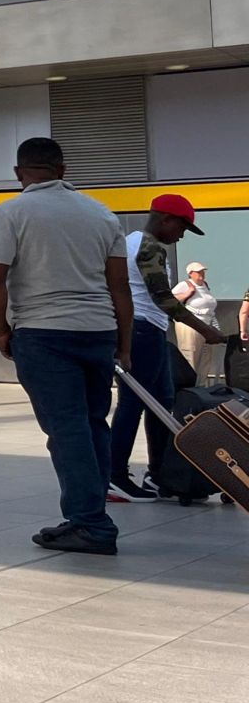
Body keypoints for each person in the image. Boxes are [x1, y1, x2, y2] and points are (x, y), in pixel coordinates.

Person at [0, 137, 132, 556]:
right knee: (92, 423)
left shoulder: (11, 212)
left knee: (66, 430)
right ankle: (89, 513)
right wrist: (124, 343)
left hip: (44, 332)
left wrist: (1, 330)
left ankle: (91, 524)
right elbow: (119, 286)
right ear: (63, 170)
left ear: (18, 173)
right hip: (98, 331)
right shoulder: (101, 214)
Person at [108, 196, 225, 501]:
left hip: (148, 330)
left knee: (161, 403)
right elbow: (164, 298)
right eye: (182, 227)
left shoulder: (131, 242)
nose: (182, 235)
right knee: (134, 403)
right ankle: (115, 475)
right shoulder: (149, 247)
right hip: (142, 330)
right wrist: (206, 330)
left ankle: (159, 476)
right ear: (165, 220)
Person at [173, 261, 225, 385]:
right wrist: (187, 293)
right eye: (198, 271)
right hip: (190, 325)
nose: (201, 274)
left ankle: (200, 385)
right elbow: (170, 299)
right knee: (191, 354)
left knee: (206, 356)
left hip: (206, 323)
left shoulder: (205, 285)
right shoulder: (185, 285)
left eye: (202, 271)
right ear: (190, 273)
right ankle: (188, 386)